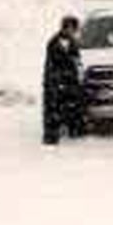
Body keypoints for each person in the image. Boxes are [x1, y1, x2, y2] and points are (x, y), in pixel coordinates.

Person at [42, 15, 85, 145]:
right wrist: (57, 80)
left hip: (69, 82)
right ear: (66, 27)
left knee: (72, 107)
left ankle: (74, 132)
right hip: (55, 82)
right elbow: (52, 65)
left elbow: (76, 61)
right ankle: (50, 137)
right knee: (53, 110)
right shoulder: (53, 43)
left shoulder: (74, 43)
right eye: (73, 28)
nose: (74, 32)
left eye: (75, 29)